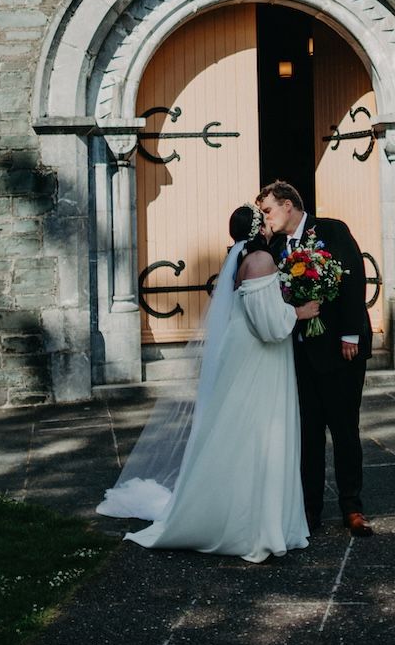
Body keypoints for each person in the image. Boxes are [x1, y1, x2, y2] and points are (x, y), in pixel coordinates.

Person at [97, 205, 319, 563]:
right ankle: (252, 525)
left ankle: (249, 513)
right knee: (258, 433)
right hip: (259, 359)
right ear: (258, 229)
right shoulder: (261, 260)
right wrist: (299, 311)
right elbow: (270, 326)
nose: (269, 223)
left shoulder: (242, 257)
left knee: (241, 430)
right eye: (264, 219)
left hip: (247, 353)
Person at [256, 180, 375, 537]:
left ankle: (352, 507)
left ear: (288, 205)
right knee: (307, 435)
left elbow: (354, 277)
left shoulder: (330, 230)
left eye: (269, 210)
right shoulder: (273, 247)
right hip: (299, 356)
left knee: (344, 431)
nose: (267, 218)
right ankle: (309, 510)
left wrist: (351, 333)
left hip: (342, 350)